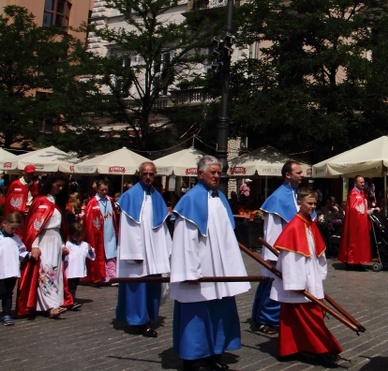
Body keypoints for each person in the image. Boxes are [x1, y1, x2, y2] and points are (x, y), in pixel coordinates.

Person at [171, 155, 251, 371]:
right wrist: (190, 271)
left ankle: (212, 353)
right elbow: (185, 241)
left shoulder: (220, 198)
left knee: (218, 312)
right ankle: (194, 358)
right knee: (197, 314)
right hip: (200, 270)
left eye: (218, 172)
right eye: (212, 172)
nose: (217, 175)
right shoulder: (191, 200)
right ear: (200, 174)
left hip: (219, 270)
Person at [272, 187, 342, 367]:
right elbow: (289, 259)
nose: (312, 207)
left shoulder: (309, 224)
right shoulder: (295, 226)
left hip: (310, 277)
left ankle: (291, 349)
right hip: (300, 282)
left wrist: (318, 275)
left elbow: (317, 252)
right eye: (309, 203)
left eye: (314, 204)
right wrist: (297, 283)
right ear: (299, 203)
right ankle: (323, 348)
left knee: (294, 318)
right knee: (309, 317)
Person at [115, 161, 172, 338]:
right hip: (138, 250)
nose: (148, 177)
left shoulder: (157, 196)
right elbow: (127, 227)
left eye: (152, 174)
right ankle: (138, 321)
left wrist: (166, 249)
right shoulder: (130, 196)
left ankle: (148, 316)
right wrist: (133, 253)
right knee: (136, 285)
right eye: (145, 174)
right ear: (139, 175)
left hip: (153, 250)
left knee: (153, 283)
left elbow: (162, 225)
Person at [251, 160, 304, 335]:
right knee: (273, 286)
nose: (301, 176)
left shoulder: (296, 195)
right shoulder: (278, 198)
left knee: (277, 285)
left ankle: (267, 318)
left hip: (290, 250)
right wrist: (273, 256)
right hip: (278, 252)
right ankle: (266, 320)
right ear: (288, 175)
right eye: (298, 173)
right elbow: (272, 231)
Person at [16, 172, 73, 318]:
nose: (60, 188)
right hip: (43, 240)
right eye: (57, 185)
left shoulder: (57, 202)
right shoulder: (40, 201)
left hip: (55, 239)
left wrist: (62, 245)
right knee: (46, 272)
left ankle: (55, 302)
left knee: (55, 272)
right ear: (50, 184)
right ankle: (51, 306)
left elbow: (59, 227)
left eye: (62, 186)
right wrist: (34, 245)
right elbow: (33, 226)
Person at [338, 175, 377, 268]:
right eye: (361, 182)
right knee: (355, 242)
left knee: (360, 242)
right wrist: (367, 211)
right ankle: (354, 261)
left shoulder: (361, 193)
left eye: (364, 182)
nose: (363, 184)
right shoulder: (354, 194)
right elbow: (355, 209)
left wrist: (371, 208)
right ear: (356, 183)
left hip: (361, 222)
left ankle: (357, 260)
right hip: (356, 223)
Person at [83, 180, 118, 285]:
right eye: (101, 189)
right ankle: (100, 275)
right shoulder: (92, 202)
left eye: (106, 189)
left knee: (111, 253)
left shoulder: (110, 200)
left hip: (110, 230)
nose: (104, 192)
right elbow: (88, 220)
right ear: (97, 189)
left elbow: (114, 214)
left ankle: (112, 276)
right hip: (99, 233)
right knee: (100, 254)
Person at [0, 212, 29, 325]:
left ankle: (6, 314)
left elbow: (21, 252)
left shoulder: (16, 238)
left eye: (16, 229)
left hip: (11, 271)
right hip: (1, 270)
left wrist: (30, 255)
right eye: (12, 228)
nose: (14, 231)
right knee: (1, 291)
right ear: (4, 224)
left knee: (8, 293)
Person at [64, 221, 94, 311]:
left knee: (74, 285)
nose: (77, 238)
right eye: (75, 236)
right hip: (70, 270)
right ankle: (70, 301)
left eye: (79, 236)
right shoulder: (67, 244)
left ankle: (71, 299)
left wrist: (90, 250)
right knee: (71, 286)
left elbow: (91, 256)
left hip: (78, 270)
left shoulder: (84, 244)